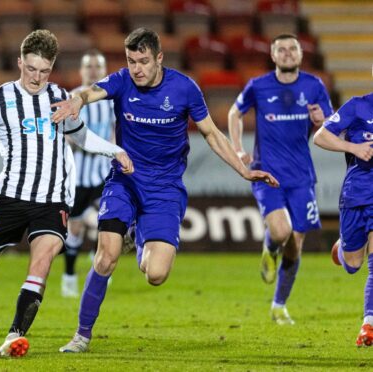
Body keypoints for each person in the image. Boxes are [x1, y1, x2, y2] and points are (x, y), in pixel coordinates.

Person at [51, 27, 279, 353]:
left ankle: (138, 237)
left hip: (165, 190)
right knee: (105, 257)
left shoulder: (185, 89)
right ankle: (81, 336)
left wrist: (243, 170)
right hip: (124, 182)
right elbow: (90, 92)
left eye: (143, 61)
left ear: (159, 58)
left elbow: (212, 134)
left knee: (155, 274)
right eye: (131, 61)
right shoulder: (122, 81)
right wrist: (76, 100)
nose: (137, 69)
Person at [0, 29, 133, 358]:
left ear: (52, 68)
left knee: (43, 261)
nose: (36, 77)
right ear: (20, 62)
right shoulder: (0, 99)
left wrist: (114, 150)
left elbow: (82, 137)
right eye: (31, 69)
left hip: (52, 200)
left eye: (44, 71)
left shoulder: (59, 97)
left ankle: (14, 336)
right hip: (9, 197)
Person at [228, 33, 333, 325]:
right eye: (281, 50)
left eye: (292, 49)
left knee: (296, 243)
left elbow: (330, 125)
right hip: (266, 173)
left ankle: (278, 305)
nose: (287, 54)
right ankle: (269, 247)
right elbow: (235, 113)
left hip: (301, 176)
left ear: (300, 54)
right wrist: (237, 149)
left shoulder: (314, 86)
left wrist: (320, 121)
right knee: (279, 231)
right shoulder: (258, 86)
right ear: (273, 56)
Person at [313, 82, 373, 346]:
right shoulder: (358, 106)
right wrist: (354, 148)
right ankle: (343, 249)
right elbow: (320, 137)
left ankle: (368, 326)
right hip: (357, 194)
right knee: (353, 264)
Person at [61, 50, 115, 298]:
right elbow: (65, 132)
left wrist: (112, 149)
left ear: (104, 71)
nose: (93, 70)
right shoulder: (72, 97)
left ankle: (99, 259)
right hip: (79, 176)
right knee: (75, 228)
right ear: (82, 71)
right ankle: (69, 274)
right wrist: (82, 142)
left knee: (109, 219)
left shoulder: (112, 99)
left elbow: (116, 130)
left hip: (105, 174)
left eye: (97, 66)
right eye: (88, 66)